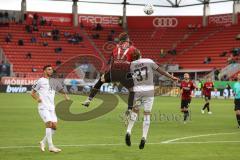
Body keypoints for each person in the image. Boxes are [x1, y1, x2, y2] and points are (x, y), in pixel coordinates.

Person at [125, 49, 178, 149]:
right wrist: (172, 77)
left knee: (135, 111)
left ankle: (128, 131)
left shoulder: (131, 65)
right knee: (147, 114)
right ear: (140, 54)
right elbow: (160, 71)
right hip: (149, 91)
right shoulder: (148, 61)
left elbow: (127, 77)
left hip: (138, 91)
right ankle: (144, 137)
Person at [82, 32, 137, 112]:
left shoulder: (115, 48)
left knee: (100, 82)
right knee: (132, 90)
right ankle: (129, 109)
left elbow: (111, 61)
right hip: (124, 73)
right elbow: (135, 62)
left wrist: (105, 73)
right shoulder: (133, 49)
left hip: (113, 72)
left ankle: (88, 100)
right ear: (127, 40)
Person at [31, 65, 70, 153]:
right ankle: (51, 146)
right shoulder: (40, 81)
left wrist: (65, 96)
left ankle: (43, 142)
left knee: (54, 127)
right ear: (44, 71)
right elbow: (32, 93)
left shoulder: (54, 81)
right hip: (43, 107)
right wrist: (38, 99)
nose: (51, 71)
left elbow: (60, 89)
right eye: (49, 69)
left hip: (52, 107)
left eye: (51, 69)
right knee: (49, 123)